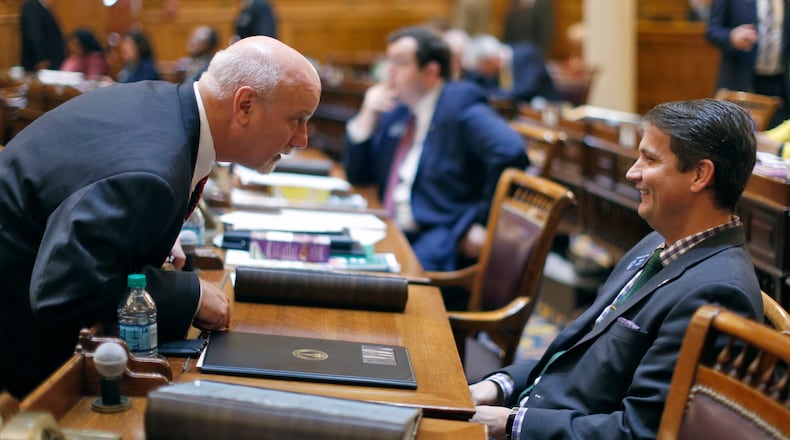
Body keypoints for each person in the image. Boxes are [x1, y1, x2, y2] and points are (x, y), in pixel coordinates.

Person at [0, 36, 321, 399]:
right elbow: (63, 293)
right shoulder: (152, 171)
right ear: (244, 105)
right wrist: (191, 295)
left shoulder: (165, 108)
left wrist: (145, 229)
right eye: (297, 120)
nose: (302, 140)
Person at [468, 98, 763, 439]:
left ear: (700, 175)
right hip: (536, 410)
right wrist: (498, 385)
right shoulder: (654, 242)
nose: (631, 172)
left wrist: (509, 423)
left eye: (650, 159)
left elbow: (638, 432)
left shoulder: (717, 292)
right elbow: (576, 350)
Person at [343, 26, 529, 278]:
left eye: (399, 62)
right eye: (389, 61)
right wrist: (366, 118)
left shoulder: (459, 101)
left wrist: (484, 221)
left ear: (430, 72)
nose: (389, 71)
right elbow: (359, 176)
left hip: (438, 231)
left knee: (382, 283)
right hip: (389, 226)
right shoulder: (399, 111)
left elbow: (511, 151)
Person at [707, 0, 790, 128]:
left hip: (780, 83)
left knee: (776, 136)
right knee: (737, 133)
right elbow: (712, 30)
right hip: (742, 80)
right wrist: (731, 37)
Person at [462, 34, 559, 105]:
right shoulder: (492, 72)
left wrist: (493, 95)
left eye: (482, 69)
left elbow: (526, 89)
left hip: (547, 111)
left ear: (491, 60)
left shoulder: (528, 55)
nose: (482, 74)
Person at [19, 0, 65, 72]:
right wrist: (41, 59)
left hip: (48, 61)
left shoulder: (41, 6)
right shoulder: (32, 5)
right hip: (41, 63)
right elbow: (33, 34)